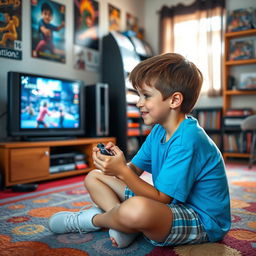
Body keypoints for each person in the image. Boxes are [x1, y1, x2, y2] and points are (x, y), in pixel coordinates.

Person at [48, 53, 231, 248]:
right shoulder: (159, 129)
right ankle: (123, 225)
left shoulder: (188, 139)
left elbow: (162, 198)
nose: (138, 103)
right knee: (94, 177)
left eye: (146, 95)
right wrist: (114, 164)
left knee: (136, 209)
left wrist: (122, 171)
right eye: (138, 95)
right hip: (169, 207)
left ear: (174, 100)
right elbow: (133, 170)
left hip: (201, 219)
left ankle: (93, 220)